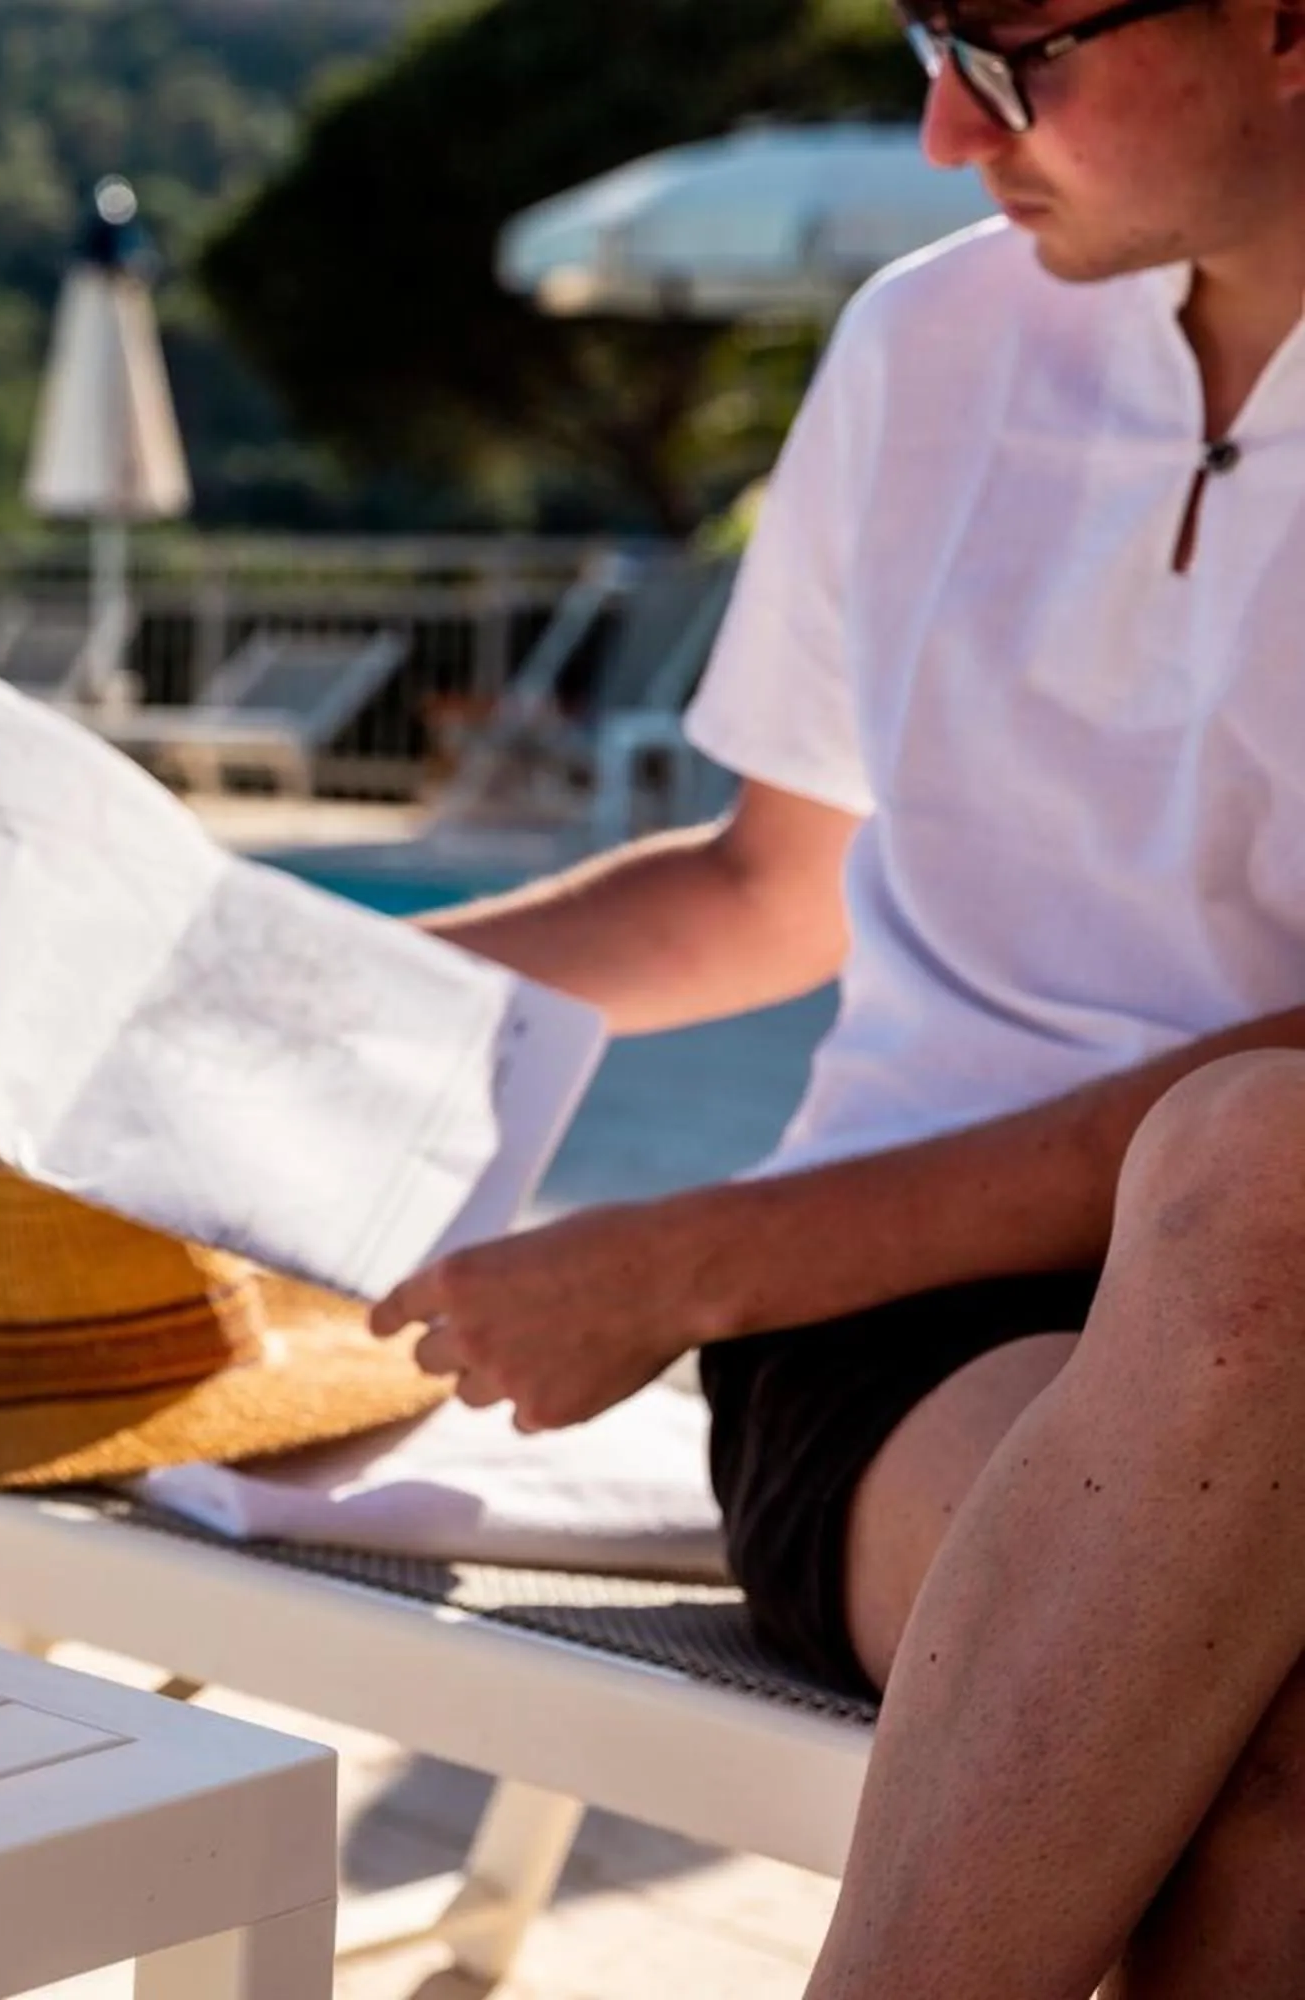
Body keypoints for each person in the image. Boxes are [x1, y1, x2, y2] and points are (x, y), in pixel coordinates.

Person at [364, 2, 1305, 1992]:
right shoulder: (931, 343)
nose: (950, 134)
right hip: (908, 1338)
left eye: (1012, 51)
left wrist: (690, 1260)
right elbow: (765, 886)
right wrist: (275, 989)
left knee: (1270, 1170)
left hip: (1154, 1259)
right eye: (920, 36)